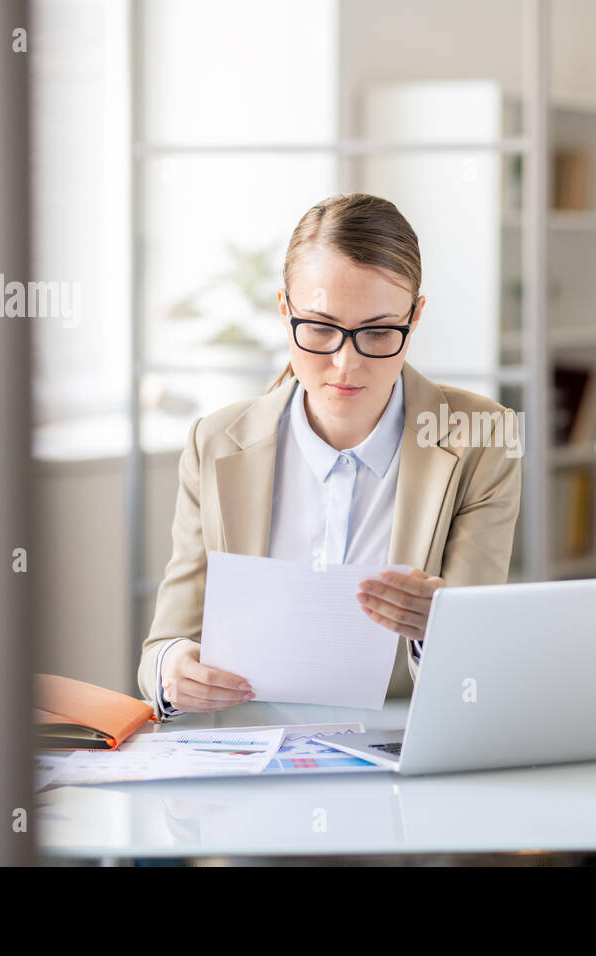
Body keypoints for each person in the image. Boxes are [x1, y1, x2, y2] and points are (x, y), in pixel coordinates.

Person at [136, 193, 523, 717]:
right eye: (320, 328)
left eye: (379, 332)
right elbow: (165, 643)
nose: (346, 363)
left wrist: (441, 627)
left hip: (402, 746)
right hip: (253, 744)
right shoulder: (216, 441)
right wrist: (173, 669)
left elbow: (479, 669)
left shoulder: (480, 437)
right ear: (284, 310)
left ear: (415, 318)